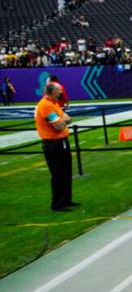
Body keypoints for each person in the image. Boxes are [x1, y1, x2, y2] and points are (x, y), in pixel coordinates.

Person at [34, 82, 78, 211]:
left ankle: (66, 199)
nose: (61, 92)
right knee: (58, 173)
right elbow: (58, 126)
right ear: (52, 92)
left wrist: (62, 120)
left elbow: (67, 119)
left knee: (66, 171)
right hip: (53, 143)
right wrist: (62, 121)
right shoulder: (46, 106)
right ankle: (57, 203)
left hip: (61, 141)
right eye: (59, 90)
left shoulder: (54, 103)